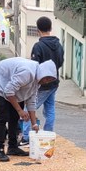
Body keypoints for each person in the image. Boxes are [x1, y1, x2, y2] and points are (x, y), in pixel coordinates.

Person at [0, 57, 58, 162]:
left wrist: (34, 124)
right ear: (43, 72)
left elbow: (31, 101)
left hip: (11, 88)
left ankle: (12, 147)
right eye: (47, 78)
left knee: (14, 117)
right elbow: (9, 91)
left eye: (50, 80)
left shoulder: (37, 80)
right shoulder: (27, 73)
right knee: (3, 115)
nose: (47, 82)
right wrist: (20, 110)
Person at [20, 16, 65, 146]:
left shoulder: (38, 46)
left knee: (31, 109)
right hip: (54, 83)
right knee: (50, 109)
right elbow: (61, 62)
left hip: (42, 85)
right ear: (50, 28)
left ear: (38, 29)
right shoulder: (59, 45)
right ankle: (48, 134)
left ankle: (26, 137)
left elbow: (34, 66)